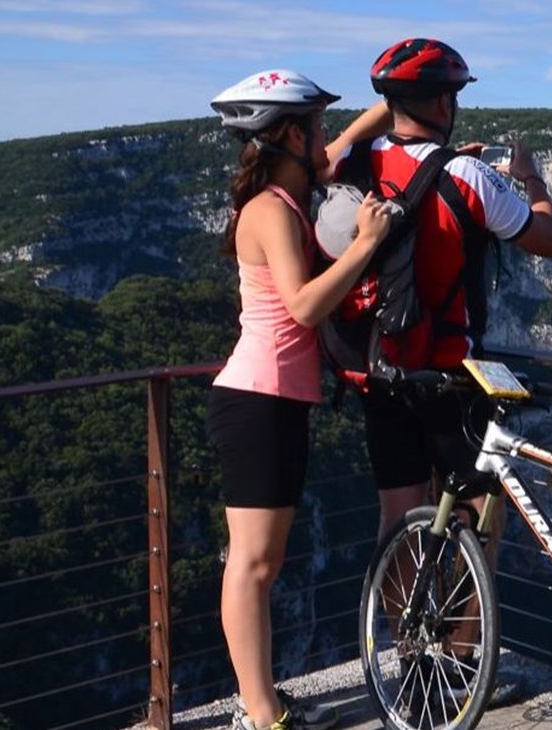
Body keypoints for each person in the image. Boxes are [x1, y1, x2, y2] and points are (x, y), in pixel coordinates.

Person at [344, 37, 552, 706]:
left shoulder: (359, 167)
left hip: (381, 372)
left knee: (398, 518)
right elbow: (547, 240)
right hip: (453, 374)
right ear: (443, 101)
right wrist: (529, 178)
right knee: (474, 517)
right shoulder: (472, 178)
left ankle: (411, 660)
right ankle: (463, 664)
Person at [205, 69, 395, 730]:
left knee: (268, 559)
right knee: (253, 563)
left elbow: (348, 139)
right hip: (256, 400)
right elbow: (306, 305)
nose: (325, 140)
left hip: (278, 400)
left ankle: (264, 704)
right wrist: (367, 245)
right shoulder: (267, 210)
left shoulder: (293, 189)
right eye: (313, 127)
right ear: (288, 134)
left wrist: (401, 105)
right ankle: (261, 713)